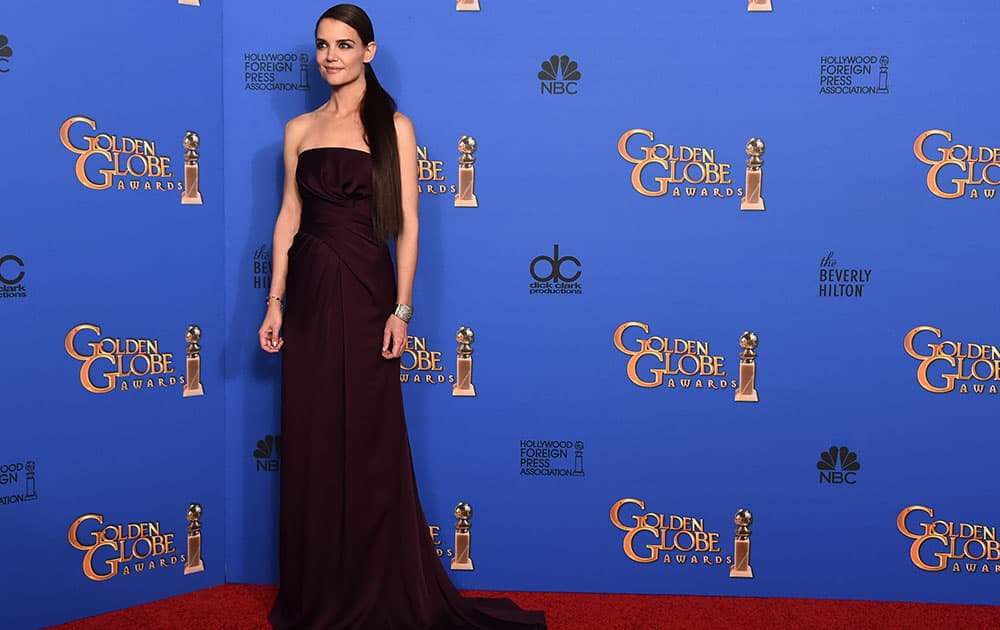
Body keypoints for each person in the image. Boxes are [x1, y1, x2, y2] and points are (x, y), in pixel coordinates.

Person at [257, 5, 547, 628]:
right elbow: (288, 217)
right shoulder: (298, 130)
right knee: (310, 437)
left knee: (367, 438)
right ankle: (317, 592)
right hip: (308, 291)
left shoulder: (394, 127)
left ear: (370, 51)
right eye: (322, 45)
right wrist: (275, 299)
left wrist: (402, 311)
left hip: (366, 292)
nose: (330, 56)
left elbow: (410, 227)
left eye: (344, 44)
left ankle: (374, 584)